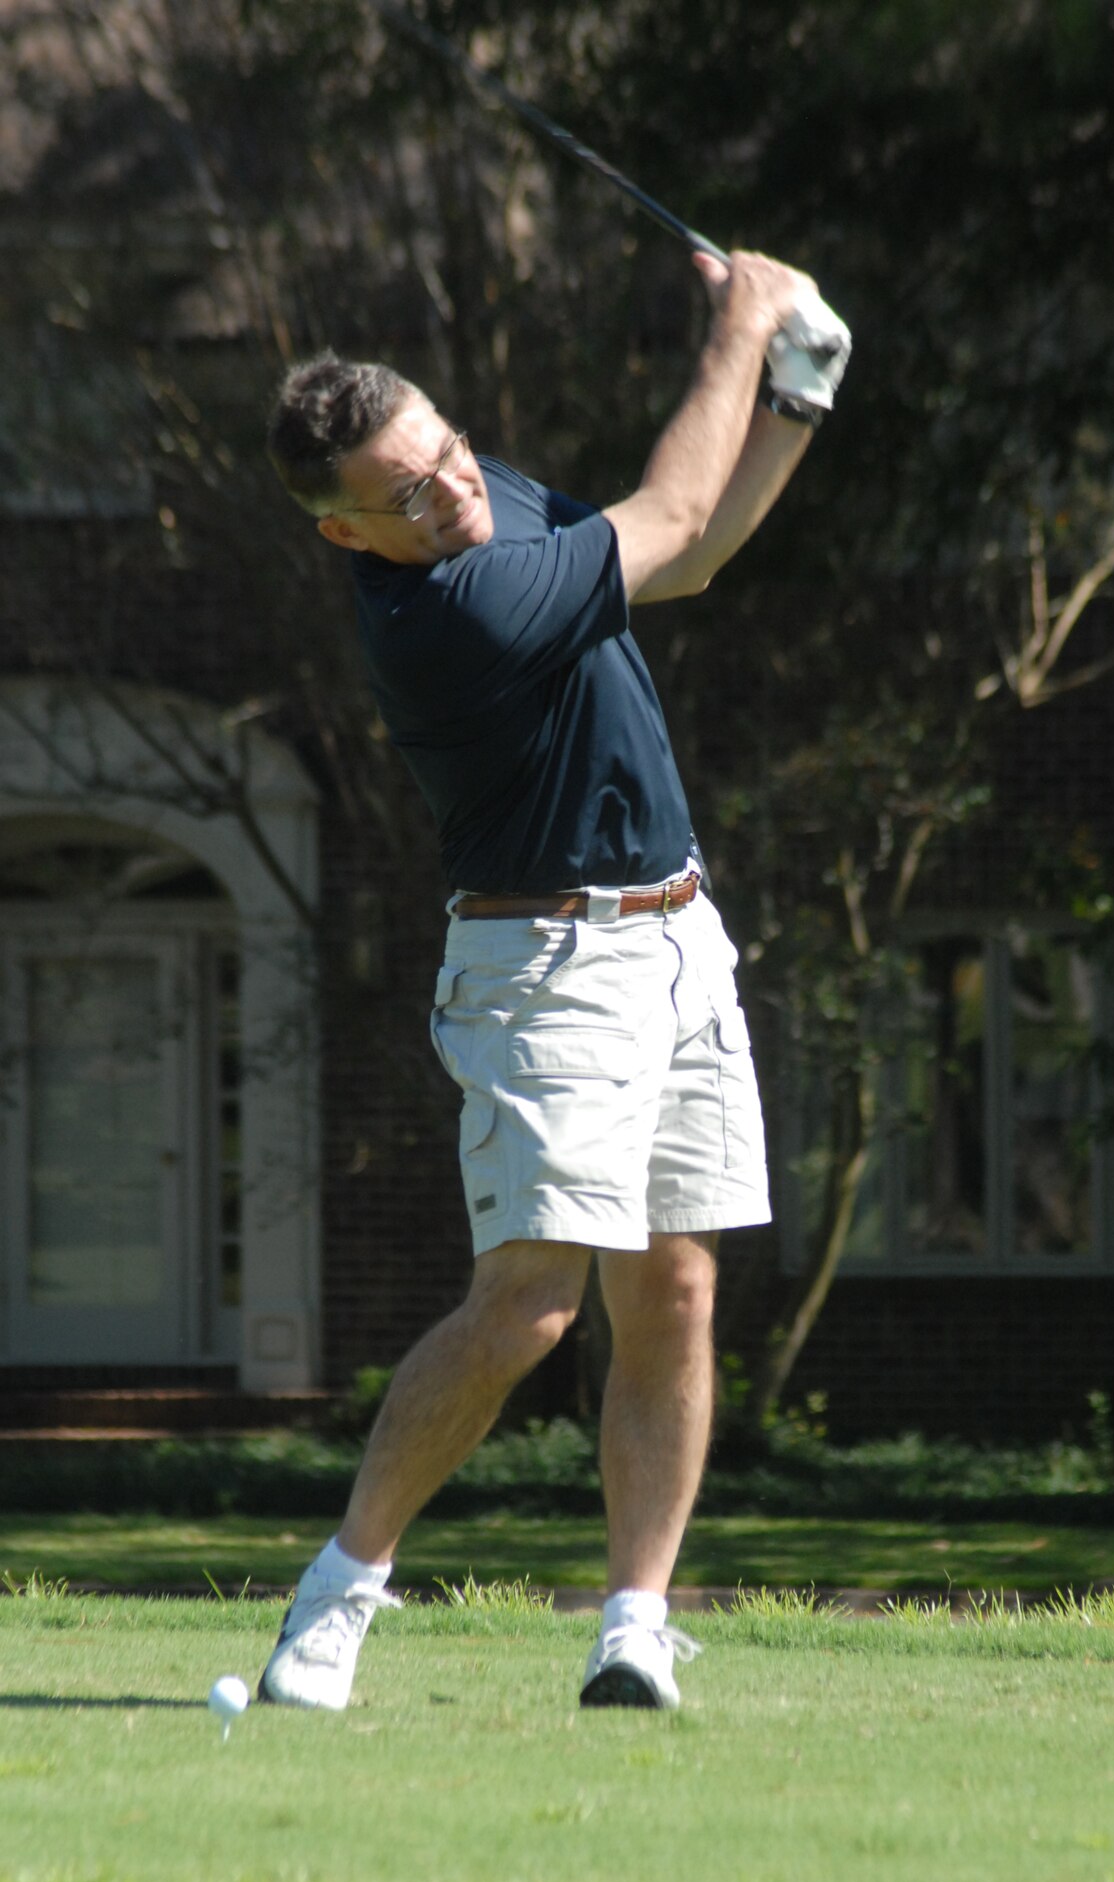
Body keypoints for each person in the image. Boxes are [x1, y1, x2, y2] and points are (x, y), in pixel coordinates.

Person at [258, 248, 850, 1712]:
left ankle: (635, 1623)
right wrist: (741, 321)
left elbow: (692, 555)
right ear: (346, 536)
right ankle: (339, 1594)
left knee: (680, 1293)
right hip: (547, 969)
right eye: (407, 492)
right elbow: (669, 510)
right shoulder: (446, 614)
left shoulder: (485, 494)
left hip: (676, 933)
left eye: (448, 450)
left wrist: (794, 391)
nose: (455, 490)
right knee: (531, 1304)